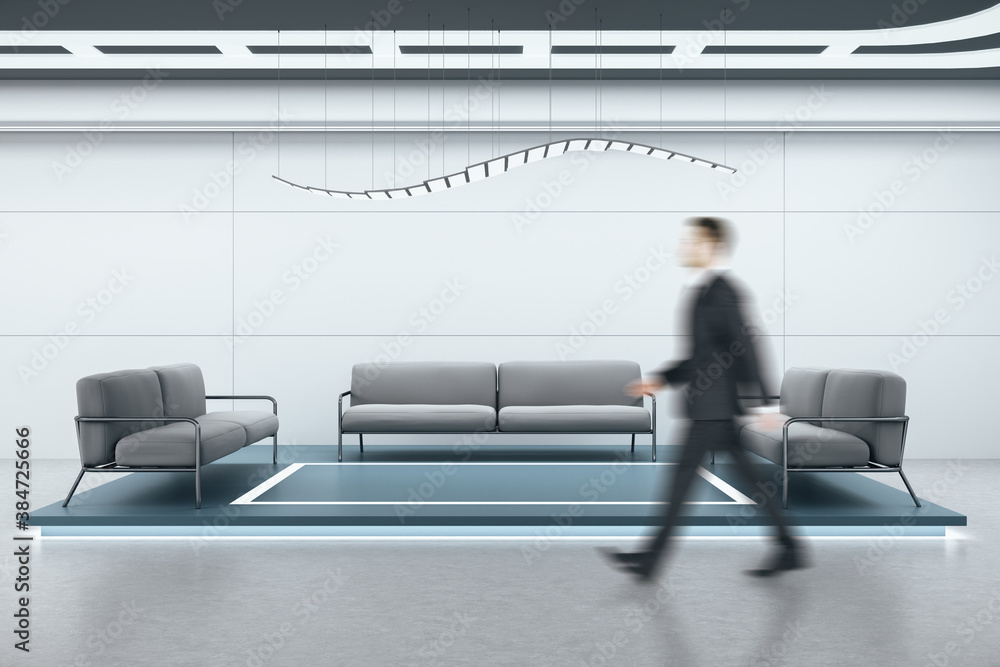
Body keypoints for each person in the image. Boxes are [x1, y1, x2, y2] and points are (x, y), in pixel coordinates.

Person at [599, 216, 808, 581]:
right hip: (713, 406)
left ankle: (650, 560)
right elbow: (701, 357)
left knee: (680, 481)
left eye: (693, 242)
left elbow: (746, 345)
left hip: (714, 407)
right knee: (749, 479)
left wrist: (764, 404)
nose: (685, 247)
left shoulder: (723, 292)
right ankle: (790, 546)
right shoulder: (701, 291)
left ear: (712, 246)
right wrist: (662, 379)